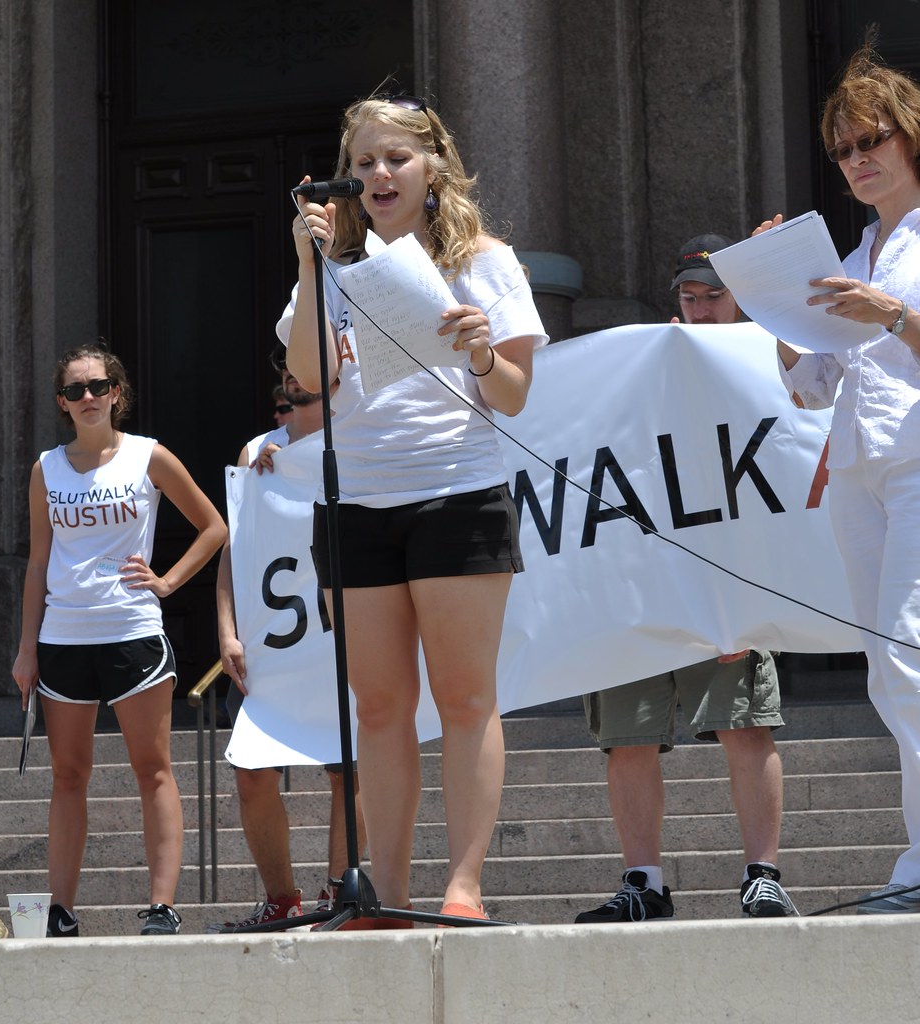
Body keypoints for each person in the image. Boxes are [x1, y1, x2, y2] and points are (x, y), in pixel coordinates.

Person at [279, 94, 547, 927]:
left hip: (457, 494)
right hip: (356, 501)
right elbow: (312, 380)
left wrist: (476, 351)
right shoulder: (338, 268)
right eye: (362, 162)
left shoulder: (483, 261)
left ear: (433, 167)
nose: (377, 174)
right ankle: (385, 895)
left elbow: (513, 396)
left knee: (465, 699)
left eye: (394, 157)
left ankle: (462, 886)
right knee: (380, 707)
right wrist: (308, 267)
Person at [574, 237, 793, 924]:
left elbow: (774, 479)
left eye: (713, 294)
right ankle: (643, 882)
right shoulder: (644, 356)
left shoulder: (766, 361)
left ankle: (762, 875)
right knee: (627, 732)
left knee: (745, 725)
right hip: (639, 578)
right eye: (688, 295)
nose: (698, 307)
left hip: (726, 576)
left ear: (739, 301)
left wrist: (748, 594)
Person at [769, 42, 920, 914]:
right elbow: (811, 384)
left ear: (908, 139)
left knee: (905, 652)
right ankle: (914, 861)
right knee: (888, 667)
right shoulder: (856, 252)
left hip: (917, 459)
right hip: (862, 466)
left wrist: (894, 313)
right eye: (843, 150)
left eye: (871, 141)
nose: (858, 161)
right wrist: (780, 310)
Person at [11, 343, 227, 937]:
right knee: (67, 774)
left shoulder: (147, 456)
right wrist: (26, 648)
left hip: (131, 631)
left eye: (97, 386)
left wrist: (167, 582)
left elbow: (214, 528)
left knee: (152, 767)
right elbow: (37, 563)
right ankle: (60, 911)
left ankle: (161, 905)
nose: (87, 398)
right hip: (63, 636)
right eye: (75, 390)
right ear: (61, 401)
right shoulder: (45, 469)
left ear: (116, 393)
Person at [210, 350, 366, 931]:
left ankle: (340, 892)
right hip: (274, 643)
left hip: (342, 636)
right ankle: (281, 897)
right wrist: (226, 630)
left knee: (346, 769)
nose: (294, 380)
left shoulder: (359, 440)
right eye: (287, 374)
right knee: (252, 772)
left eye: (307, 374)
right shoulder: (255, 452)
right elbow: (236, 550)